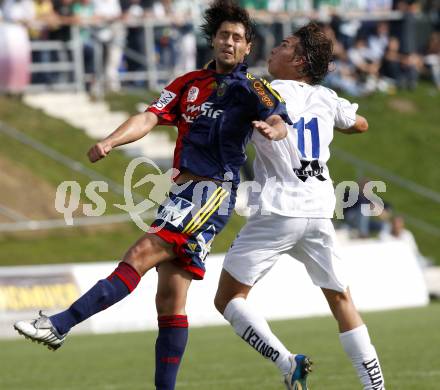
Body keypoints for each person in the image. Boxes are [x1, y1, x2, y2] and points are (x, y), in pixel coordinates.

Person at [13, 1, 290, 389]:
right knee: (170, 300)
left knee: (141, 253)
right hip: (183, 191)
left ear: (247, 48)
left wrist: (275, 129)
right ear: (212, 40)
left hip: (211, 193)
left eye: (238, 38)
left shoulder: (250, 88)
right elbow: (148, 117)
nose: (229, 42)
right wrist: (111, 139)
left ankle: (60, 324)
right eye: (224, 35)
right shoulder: (187, 84)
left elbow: (277, 115)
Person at [214, 23, 386, 390]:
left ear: (300, 61)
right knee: (341, 299)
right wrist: (334, 122)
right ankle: (376, 388)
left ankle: (285, 361)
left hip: (279, 209)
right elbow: (361, 124)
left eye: (283, 45)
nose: (274, 50)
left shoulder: (265, 91)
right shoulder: (326, 97)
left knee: (228, 298)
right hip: (319, 208)